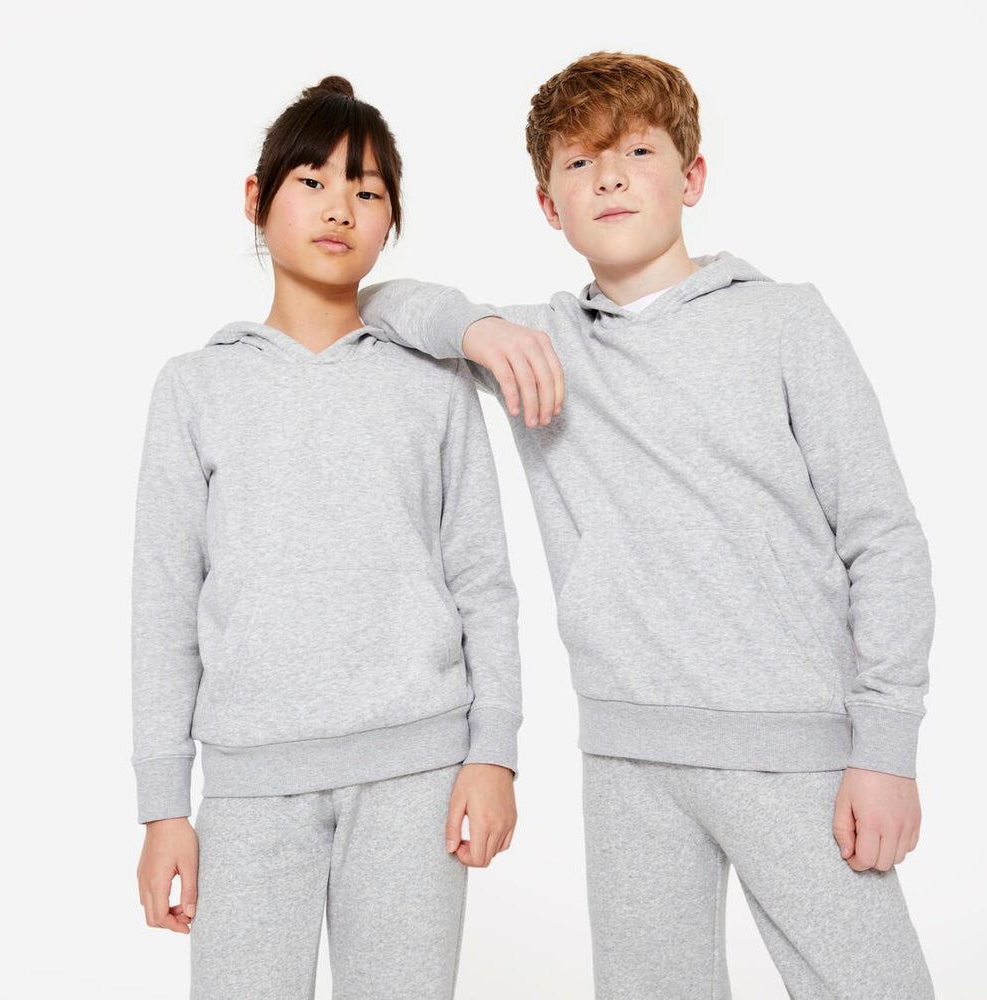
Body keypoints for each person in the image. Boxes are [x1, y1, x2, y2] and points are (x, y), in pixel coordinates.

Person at [359, 52, 935, 998]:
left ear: (691, 177)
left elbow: (884, 539)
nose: (611, 178)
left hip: (796, 749)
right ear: (549, 205)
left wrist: (886, 748)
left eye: (637, 151)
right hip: (628, 759)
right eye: (580, 162)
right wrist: (476, 329)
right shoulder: (538, 346)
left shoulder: (785, 322)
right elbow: (376, 304)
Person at [130, 75, 522, 1000]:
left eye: (368, 189)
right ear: (256, 198)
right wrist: (162, 807)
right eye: (312, 180)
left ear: (391, 221)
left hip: (418, 773)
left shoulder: (434, 385)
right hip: (249, 787)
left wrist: (494, 752)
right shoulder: (195, 388)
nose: (340, 207)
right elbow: (163, 603)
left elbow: (483, 581)